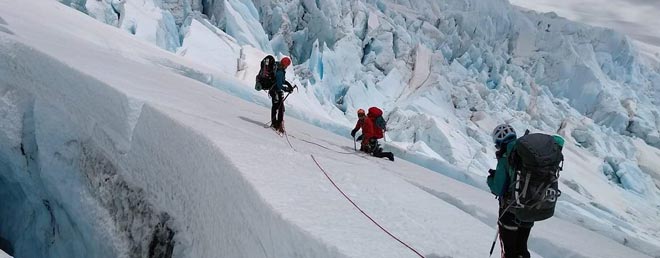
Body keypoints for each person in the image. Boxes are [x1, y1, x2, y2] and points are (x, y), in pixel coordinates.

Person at [269, 56, 294, 132]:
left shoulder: (280, 69)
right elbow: (279, 85)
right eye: (287, 65)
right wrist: (286, 89)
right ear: (285, 64)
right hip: (275, 90)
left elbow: (281, 81)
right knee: (278, 107)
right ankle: (275, 124)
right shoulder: (280, 71)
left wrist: (287, 84)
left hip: (275, 90)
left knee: (278, 107)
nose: (287, 67)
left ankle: (277, 124)